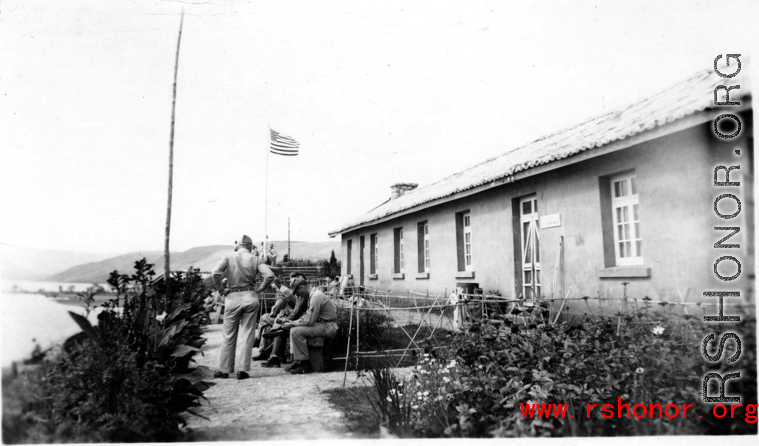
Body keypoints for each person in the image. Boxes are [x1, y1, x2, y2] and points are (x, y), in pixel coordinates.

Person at [211, 234, 275, 380]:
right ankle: (242, 370)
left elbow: (215, 273)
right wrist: (259, 288)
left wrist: (221, 290)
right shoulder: (256, 258)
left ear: (238, 245)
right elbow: (270, 275)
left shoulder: (229, 256)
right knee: (247, 334)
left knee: (229, 334)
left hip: (232, 297)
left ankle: (225, 369)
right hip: (250, 296)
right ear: (251, 247)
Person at [280, 277, 338, 374]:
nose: (297, 295)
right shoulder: (313, 295)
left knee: (296, 331)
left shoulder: (315, 297)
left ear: (301, 287)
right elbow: (308, 317)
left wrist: (291, 323)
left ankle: (305, 364)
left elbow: (310, 321)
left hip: (329, 326)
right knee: (294, 329)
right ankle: (298, 360)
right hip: (324, 324)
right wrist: (292, 323)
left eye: (297, 292)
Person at [259, 274, 311, 368]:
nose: (292, 283)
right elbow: (294, 310)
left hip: (300, 320)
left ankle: (270, 353)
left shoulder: (302, 295)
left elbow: (296, 312)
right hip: (295, 318)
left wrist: (286, 320)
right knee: (277, 325)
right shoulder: (299, 294)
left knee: (276, 324)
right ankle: (275, 355)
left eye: (293, 281)